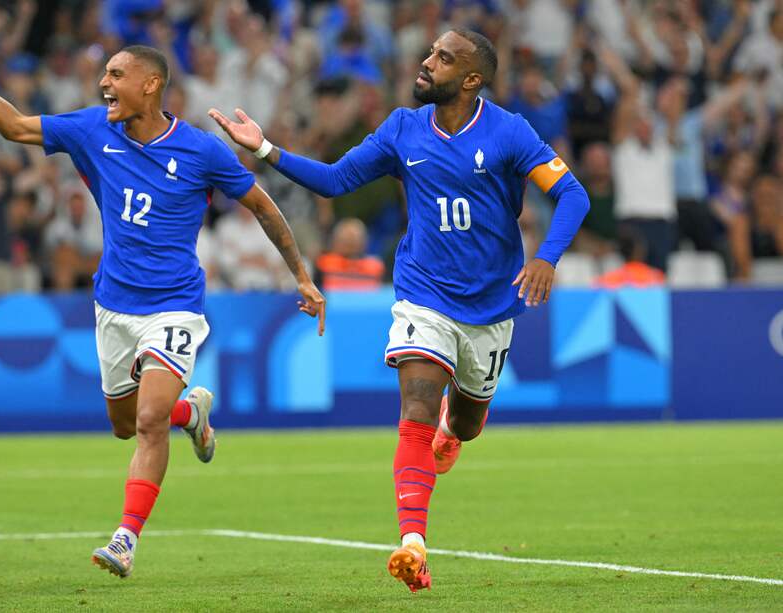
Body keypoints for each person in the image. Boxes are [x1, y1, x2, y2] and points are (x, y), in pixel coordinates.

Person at [0, 36, 325, 578]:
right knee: (126, 425)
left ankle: (125, 539)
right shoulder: (91, 130)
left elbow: (263, 207)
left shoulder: (201, 149)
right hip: (113, 305)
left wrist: (302, 276)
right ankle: (191, 413)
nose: (104, 83)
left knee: (149, 421)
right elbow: (14, 127)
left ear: (150, 84)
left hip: (175, 305)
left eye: (116, 74)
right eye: (104, 74)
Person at [211, 29, 589, 592]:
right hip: (425, 291)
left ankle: (455, 430)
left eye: (443, 58)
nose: (426, 61)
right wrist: (265, 149)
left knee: (464, 420)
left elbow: (573, 194)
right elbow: (336, 180)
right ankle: (414, 543)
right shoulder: (403, 129)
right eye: (429, 51)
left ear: (471, 79)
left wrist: (547, 257)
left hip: (489, 304)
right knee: (416, 405)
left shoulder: (510, 132)